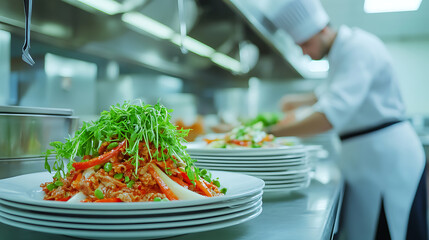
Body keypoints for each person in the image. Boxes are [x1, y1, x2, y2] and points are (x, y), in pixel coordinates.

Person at [268, 0, 427, 239]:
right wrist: (297, 101)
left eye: (305, 44)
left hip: (387, 162)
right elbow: (328, 94)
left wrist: (271, 133)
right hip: (367, 159)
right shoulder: (340, 54)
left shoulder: (358, 48)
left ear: (322, 29)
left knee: (392, 230)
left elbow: (329, 116)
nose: (304, 52)